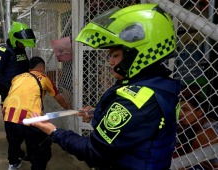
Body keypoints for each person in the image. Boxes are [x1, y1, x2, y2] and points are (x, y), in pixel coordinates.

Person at [29, 4, 181, 169]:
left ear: (138, 53)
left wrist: (53, 131)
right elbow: (134, 129)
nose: (111, 62)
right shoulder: (159, 87)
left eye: (115, 55)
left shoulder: (135, 102)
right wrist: (98, 114)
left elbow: (93, 152)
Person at [2, 56, 70, 170]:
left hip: (9, 113)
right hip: (30, 117)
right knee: (39, 147)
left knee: (14, 142)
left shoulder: (17, 77)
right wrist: (68, 107)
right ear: (42, 68)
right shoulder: (44, 78)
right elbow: (58, 97)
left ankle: (13, 163)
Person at [0, 22, 35, 106]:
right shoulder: (3, 51)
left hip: (23, 90)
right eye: (21, 43)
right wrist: (9, 89)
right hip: (10, 92)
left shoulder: (20, 49)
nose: (24, 46)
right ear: (14, 40)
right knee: (11, 117)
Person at [175, 93, 218, 169]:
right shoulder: (198, 125)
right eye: (178, 109)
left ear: (200, 112)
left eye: (185, 109)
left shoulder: (205, 133)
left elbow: (185, 162)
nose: (180, 114)